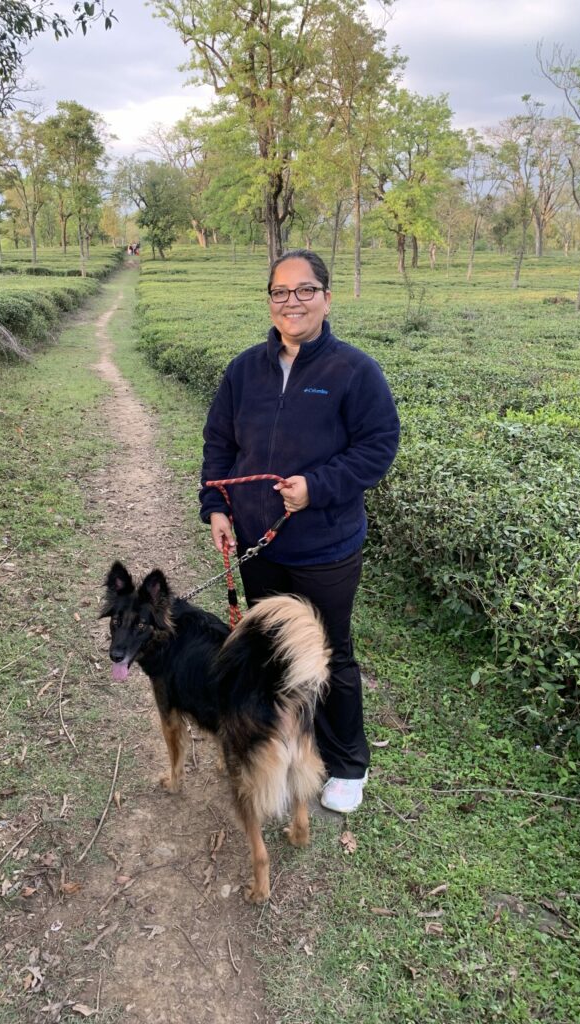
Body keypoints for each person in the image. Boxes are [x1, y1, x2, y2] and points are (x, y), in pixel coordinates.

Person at [199, 249, 400, 814]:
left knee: (330, 652)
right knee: (272, 650)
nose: (293, 301)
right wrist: (216, 506)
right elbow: (220, 444)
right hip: (258, 544)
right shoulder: (243, 370)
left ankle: (347, 761)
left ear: (327, 298)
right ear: (270, 301)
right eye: (281, 292)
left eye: (305, 290)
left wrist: (317, 486)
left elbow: (378, 447)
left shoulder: (354, 371)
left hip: (326, 549)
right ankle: (285, 746)